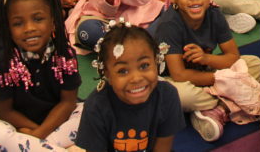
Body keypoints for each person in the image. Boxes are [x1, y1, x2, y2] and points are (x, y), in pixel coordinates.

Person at [148, 0, 260, 142]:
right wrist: (225, 80)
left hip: (206, 71)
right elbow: (178, 74)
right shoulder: (169, 25)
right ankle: (233, 97)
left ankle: (216, 108)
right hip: (174, 78)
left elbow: (233, 56)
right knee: (178, 95)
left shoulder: (214, 14)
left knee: (254, 63)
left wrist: (207, 59)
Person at [0, 0, 82, 152]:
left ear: (53, 22)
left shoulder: (65, 55)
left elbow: (68, 102)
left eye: (38, 19)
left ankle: (34, 147)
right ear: (8, 28)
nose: (29, 29)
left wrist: (35, 136)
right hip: (18, 125)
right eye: (18, 23)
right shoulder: (4, 63)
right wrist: (35, 131)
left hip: (56, 121)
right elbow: (5, 112)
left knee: (89, 111)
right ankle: (53, 147)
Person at [75, 23, 184, 151]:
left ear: (156, 61)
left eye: (144, 66)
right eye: (123, 71)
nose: (136, 78)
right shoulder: (96, 106)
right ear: (107, 74)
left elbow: (163, 148)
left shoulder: (167, 96)